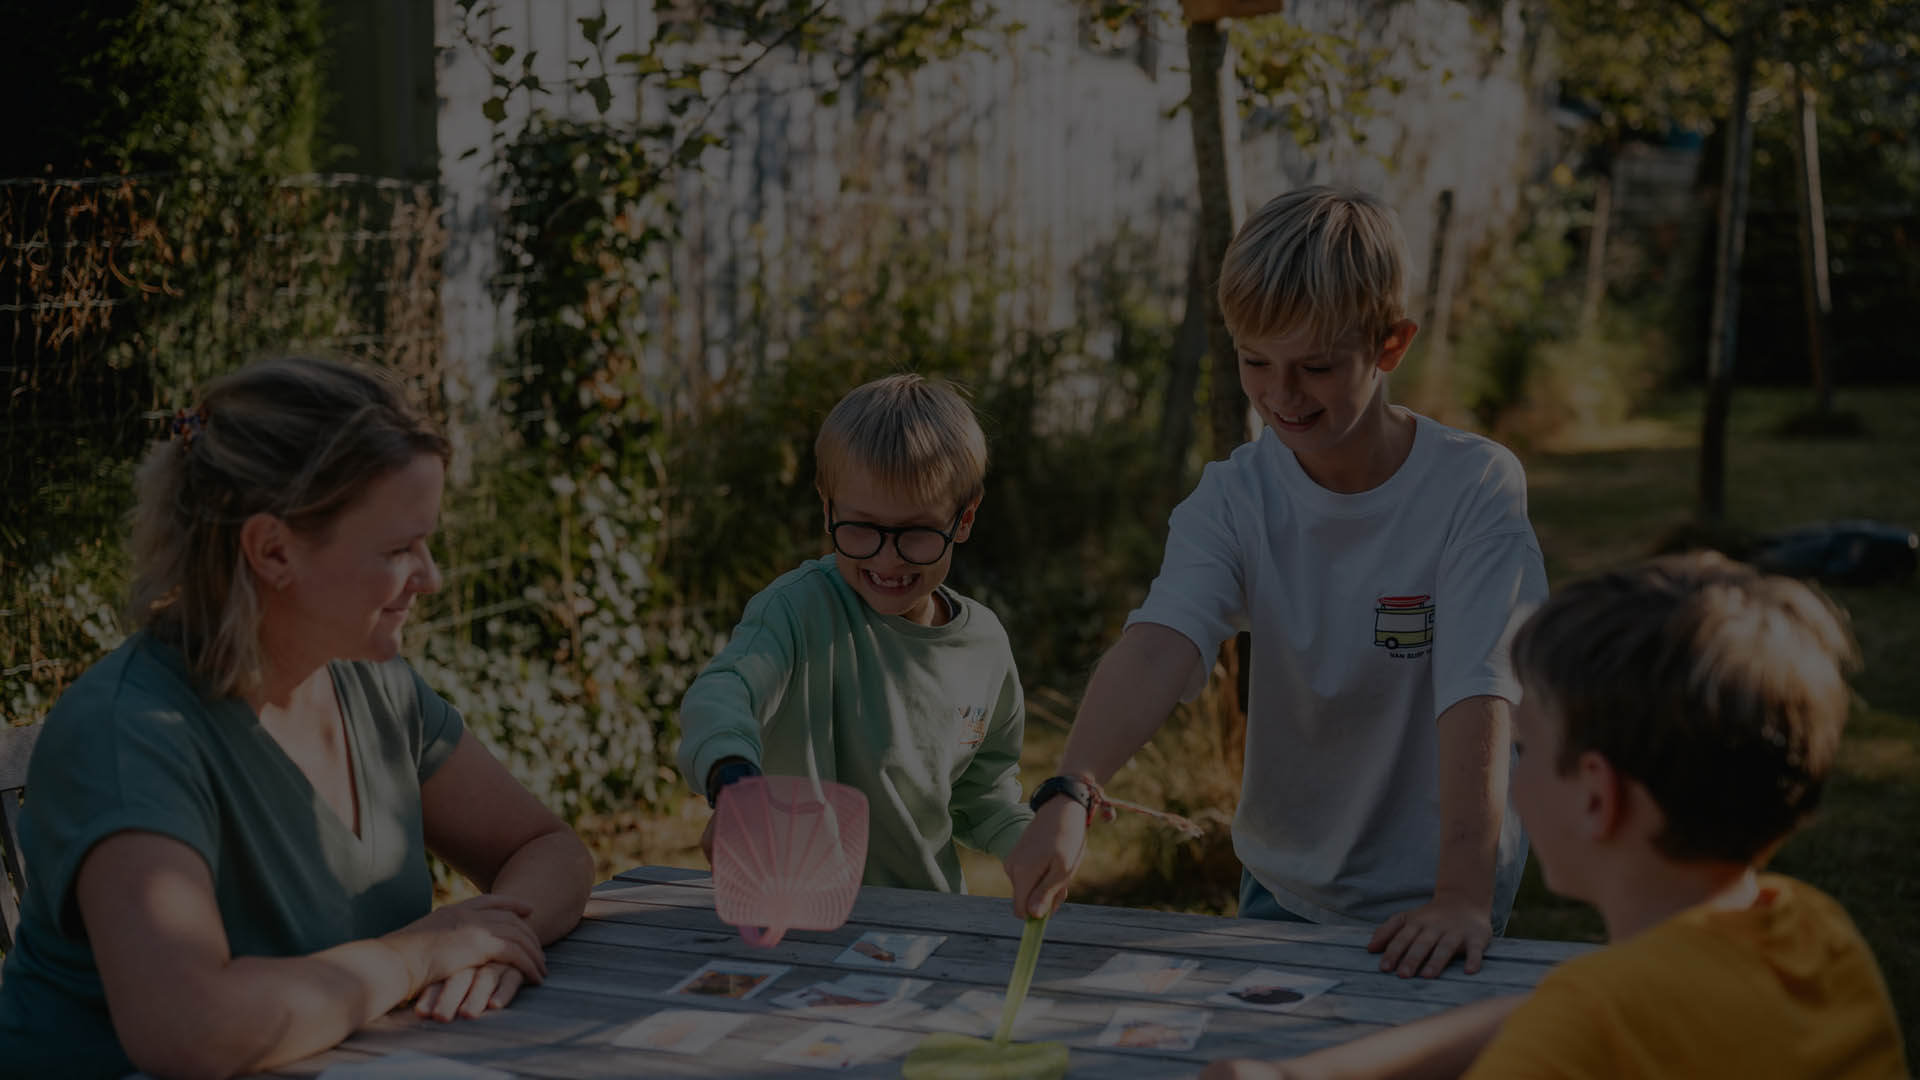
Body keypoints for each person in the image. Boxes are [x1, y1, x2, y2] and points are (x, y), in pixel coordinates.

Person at [0, 356, 596, 1080]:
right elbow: (188, 1030)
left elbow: (550, 848)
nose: (431, 577)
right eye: (399, 548)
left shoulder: (374, 683)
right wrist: (418, 955)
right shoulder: (131, 735)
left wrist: (492, 940)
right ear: (273, 550)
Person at [1006, 186, 1546, 979]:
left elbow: (1479, 688)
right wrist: (1071, 787)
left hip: (1439, 886)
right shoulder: (1234, 497)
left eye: (1316, 367)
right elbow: (1161, 644)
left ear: (1390, 346)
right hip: (1283, 881)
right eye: (1255, 361)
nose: (1282, 396)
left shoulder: (1474, 489)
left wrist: (1461, 895)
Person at [1203, 553, 1908, 1079]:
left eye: (1525, 749)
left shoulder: (1591, 1033)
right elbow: (1550, 1010)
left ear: (1597, 797)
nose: (1514, 775)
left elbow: (1577, 1018)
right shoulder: (1815, 933)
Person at [675, 373, 1031, 891]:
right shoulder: (795, 611)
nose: (887, 559)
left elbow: (985, 796)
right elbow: (723, 693)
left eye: (915, 531)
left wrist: (1029, 841)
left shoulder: (985, 648)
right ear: (827, 508)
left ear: (965, 518)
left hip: (924, 928)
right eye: (861, 527)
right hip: (791, 915)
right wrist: (733, 780)